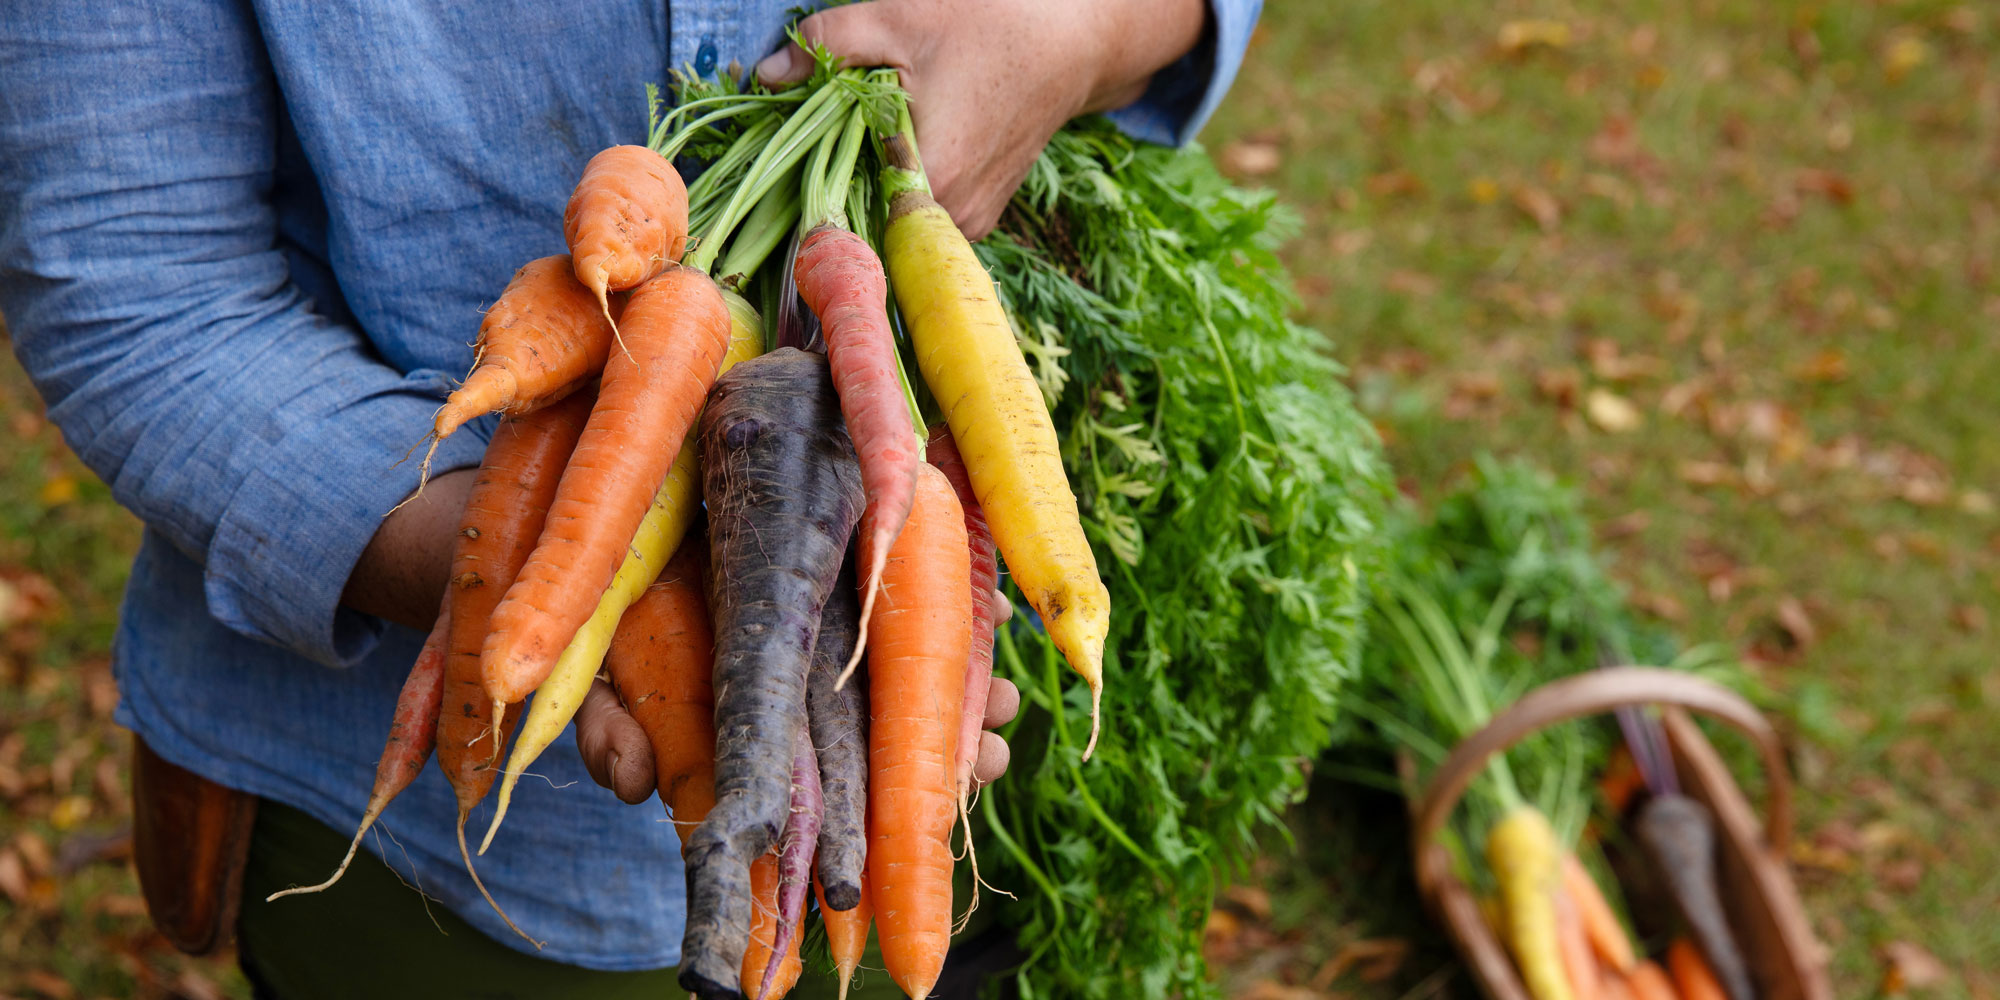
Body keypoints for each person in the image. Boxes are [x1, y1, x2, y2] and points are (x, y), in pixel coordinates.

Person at [0, 0, 1260, 995]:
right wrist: (534, 575)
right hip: (415, 857)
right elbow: (141, 297)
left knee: (897, 882)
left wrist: (1078, 24)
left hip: (939, 734)